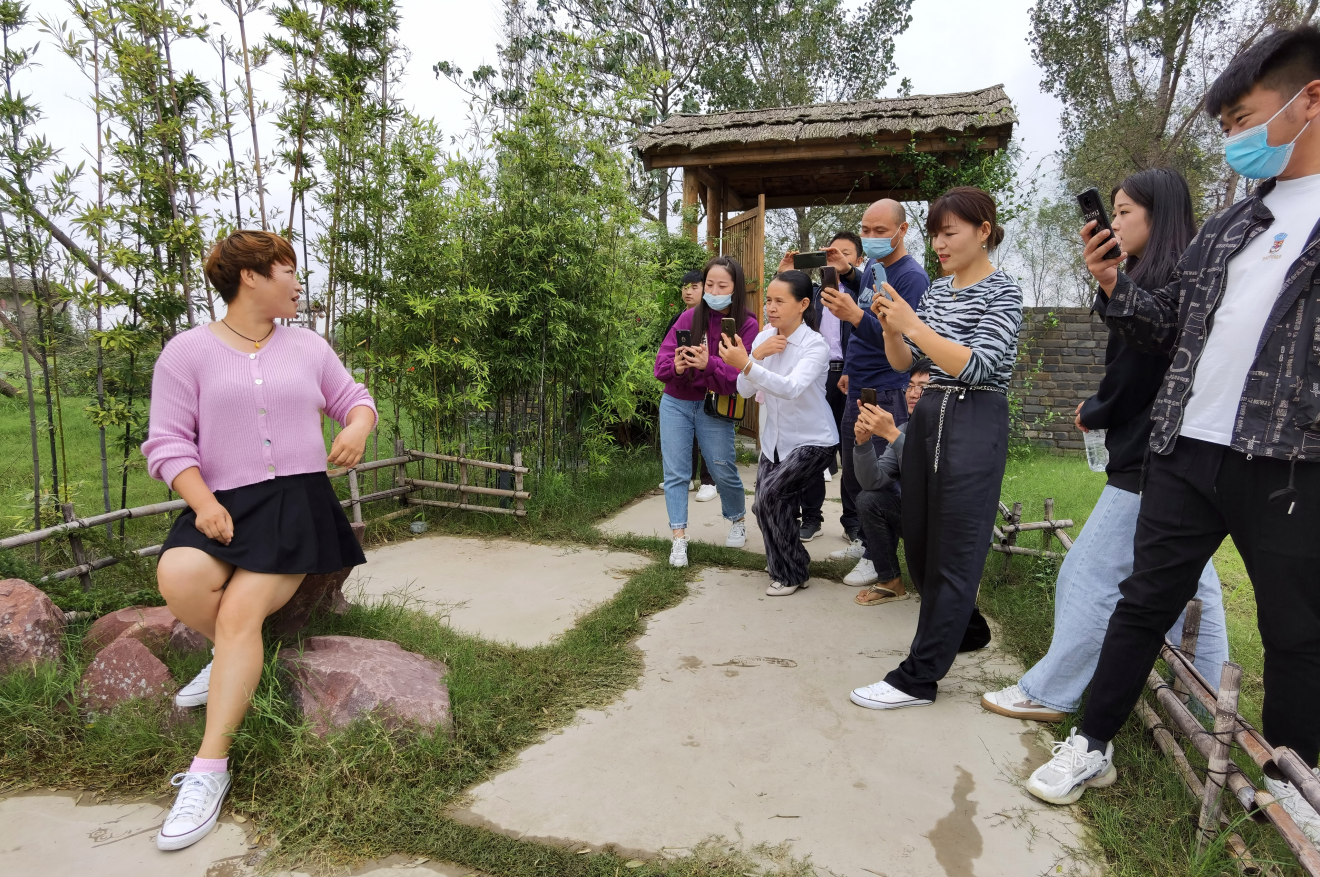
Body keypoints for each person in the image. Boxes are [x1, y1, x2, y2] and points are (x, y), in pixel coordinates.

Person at [1027, 27, 1320, 829]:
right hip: (1187, 450)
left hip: (1290, 461)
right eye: (1224, 126)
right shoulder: (1232, 226)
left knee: (1296, 627)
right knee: (1142, 600)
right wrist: (1112, 282)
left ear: (1309, 100)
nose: (1234, 139)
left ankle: (1294, 785)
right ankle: (1092, 741)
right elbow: (1165, 328)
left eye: (1244, 119)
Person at [141, 231, 376, 851]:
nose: (297, 283)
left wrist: (357, 427)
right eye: (287, 271)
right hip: (223, 500)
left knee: (240, 613)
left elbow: (354, 400)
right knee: (179, 577)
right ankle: (233, 659)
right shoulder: (186, 352)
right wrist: (203, 504)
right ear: (251, 276)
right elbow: (167, 442)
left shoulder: (308, 346)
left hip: (297, 502)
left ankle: (207, 770)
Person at [983, 168, 1230, 725]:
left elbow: (1136, 377)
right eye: (1111, 212)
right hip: (1182, 455)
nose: (1112, 223)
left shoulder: (1162, 284)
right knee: (1193, 583)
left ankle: (1050, 692)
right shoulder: (1173, 277)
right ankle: (1214, 702)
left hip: (1150, 457)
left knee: (1088, 574)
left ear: (1159, 216)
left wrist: (1095, 410)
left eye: (1123, 212)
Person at [848, 187, 1022, 711]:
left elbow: (978, 364)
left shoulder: (1004, 291)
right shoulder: (939, 291)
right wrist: (891, 328)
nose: (940, 244)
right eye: (936, 235)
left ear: (983, 231)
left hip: (974, 416)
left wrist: (913, 324)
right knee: (922, 541)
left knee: (956, 547)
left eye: (950, 233)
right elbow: (906, 362)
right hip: (928, 414)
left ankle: (918, 678)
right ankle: (966, 629)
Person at [819, 201, 931, 588]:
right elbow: (865, 319)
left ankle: (876, 555)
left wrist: (852, 315)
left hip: (886, 387)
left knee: (878, 478)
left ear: (903, 230)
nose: (871, 237)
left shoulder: (912, 278)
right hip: (860, 384)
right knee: (854, 469)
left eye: (880, 231)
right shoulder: (872, 269)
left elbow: (903, 343)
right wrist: (850, 368)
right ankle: (863, 539)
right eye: (865, 230)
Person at [719, 270, 839, 595]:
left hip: (814, 440)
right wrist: (755, 356)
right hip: (775, 439)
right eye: (768, 300)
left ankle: (791, 573)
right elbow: (744, 390)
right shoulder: (762, 338)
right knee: (762, 505)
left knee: (772, 496)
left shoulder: (815, 345)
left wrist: (746, 364)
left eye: (779, 301)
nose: (770, 307)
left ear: (803, 304)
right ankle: (787, 564)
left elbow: (791, 388)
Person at [654, 256, 759, 568]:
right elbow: (661, 365)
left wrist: (708, 364)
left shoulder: (747, 324)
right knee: (675, 473)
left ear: (736, 288)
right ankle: (678, 537)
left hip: (714, 406)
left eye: (721, 285)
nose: (714, 291)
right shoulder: (689, 317)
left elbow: (739, 378)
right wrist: (677, 366)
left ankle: (737, 519)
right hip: (676, 402)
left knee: (722, 468)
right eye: (709, 284)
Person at [778, 231, 865, 540]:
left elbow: (866, 335)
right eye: (830, 252)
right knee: (810, 445)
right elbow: (782, 307)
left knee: (851, 450)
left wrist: (852, 369)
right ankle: (811, 517)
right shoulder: (812, 295)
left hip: (849, 376)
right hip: (814, 375)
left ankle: (852, 520)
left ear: (858, 260)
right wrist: (784, 274)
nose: (836, 258)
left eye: (845, 253)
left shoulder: (862, 293)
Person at [851, 358, 931, 607]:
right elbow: (872, 481)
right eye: (910, 386)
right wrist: (863, 443)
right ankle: (891, 581)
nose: (913, 394)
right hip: (917, 520)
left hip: (947, 526)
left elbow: (930, 475)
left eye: (923, 388)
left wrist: (891, 434)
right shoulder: (905, 429)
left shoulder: (950, 431)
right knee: (869, 500)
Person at [663, 269, 717, 501]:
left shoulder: (713, 319)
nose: (688, 291)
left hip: (709, 385)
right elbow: (666, 352)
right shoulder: (678, 319)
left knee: (709, 436)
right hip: (682, 386)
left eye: (694, 287)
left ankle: (709, 481)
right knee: (685, 436)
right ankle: (686, 478)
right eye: (685, 287)